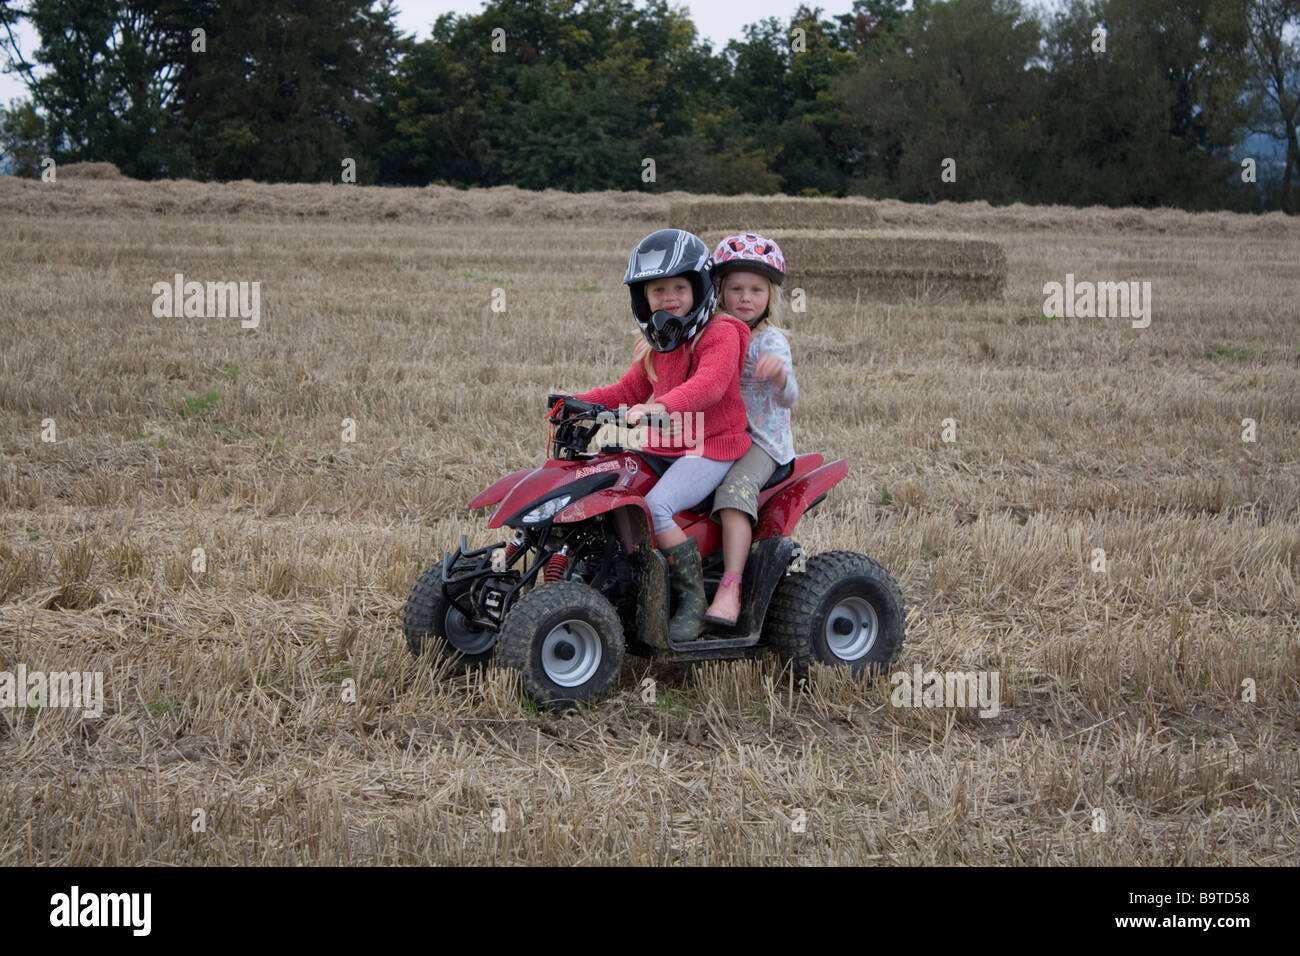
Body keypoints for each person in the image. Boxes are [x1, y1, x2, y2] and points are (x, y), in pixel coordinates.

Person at [569, 228, 751, 643]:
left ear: (700, 288)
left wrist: (662, 406)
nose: (668, 297)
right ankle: (624, 581)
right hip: (665, 446)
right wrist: (575, 401)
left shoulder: (722, 332)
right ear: (642, 297)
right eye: (657, 289)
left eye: (679, 287)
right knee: (612, 491)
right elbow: (627, 391)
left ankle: (691, 601)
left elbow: (711, 384)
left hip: (711, 446)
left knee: (656, 506)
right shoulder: (658, 343)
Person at [702, 233, 798, 627]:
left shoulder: (769, 340)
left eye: (756, 289)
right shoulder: (713, 333)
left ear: (769, 296)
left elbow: (791, 396)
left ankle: (731, 585)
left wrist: (778, 377)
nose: (746, 297)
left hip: (761, 443)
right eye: (736, 288)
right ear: (720, 292)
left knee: (732, 494)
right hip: (721, 434)